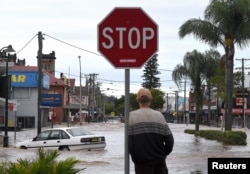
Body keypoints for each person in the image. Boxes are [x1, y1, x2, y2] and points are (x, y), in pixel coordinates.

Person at [128, 88, 174, 174]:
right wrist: (162, 155)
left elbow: (130, 144)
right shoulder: (159, 116)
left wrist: (135, 158)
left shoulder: (131, 116)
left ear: (138, 100)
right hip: (160, 164)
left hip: (142, 165)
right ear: (150, 100)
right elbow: (170, 141)